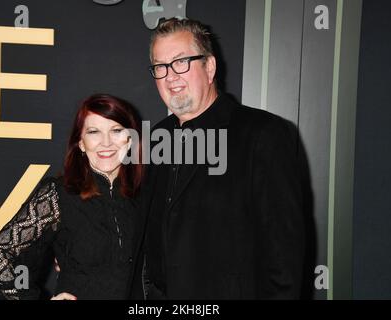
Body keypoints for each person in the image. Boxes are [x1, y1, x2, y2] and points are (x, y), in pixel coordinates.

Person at [130, 18, 305, 299]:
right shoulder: (156, 138)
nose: (170, 76)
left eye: (181, 62)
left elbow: (283, 255)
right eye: (160, 67)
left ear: (209, 67)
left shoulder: (263, 134)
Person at [0, 94, 143, 300]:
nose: (106, 142)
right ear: (81, 143)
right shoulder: (58, 194)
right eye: (94, 132)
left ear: (130, 140)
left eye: (116, 131)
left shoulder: (146, 194)